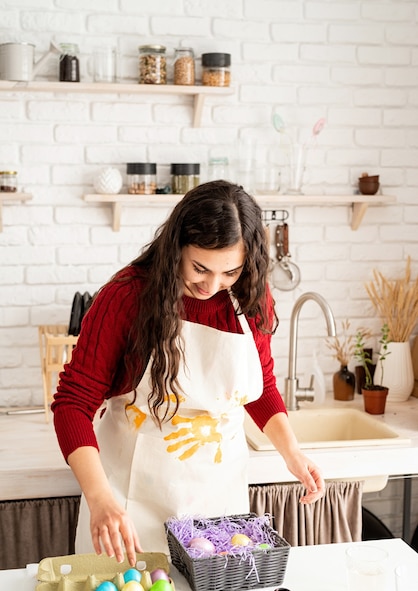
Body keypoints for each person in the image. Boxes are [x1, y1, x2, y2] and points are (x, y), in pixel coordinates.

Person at [52, 180, 324, 567]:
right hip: (129, 510)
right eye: (199, 268)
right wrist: (100, 499)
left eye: (230, 271)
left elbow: (259, 385)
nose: (212, 286)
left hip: (218, 507)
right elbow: (72, 404)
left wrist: (292, 452)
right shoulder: (127, 297)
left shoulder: (250, 295)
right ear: (176, 246)